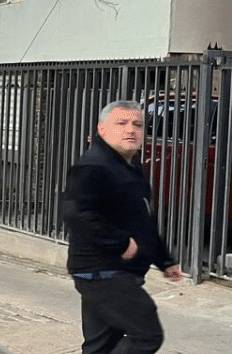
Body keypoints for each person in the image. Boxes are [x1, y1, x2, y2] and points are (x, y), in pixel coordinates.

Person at [63, 100, 184, 354]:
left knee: (101, 346)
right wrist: (119, 242)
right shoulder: (93, 166)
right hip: (104, 273)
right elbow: (77, 213)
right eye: (122, 123)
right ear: (102, 129)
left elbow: (143, 221)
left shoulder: (129, 165)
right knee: (147, 335)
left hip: (110, 274)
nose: (131, 129)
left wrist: (164, 260)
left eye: (137, 124)